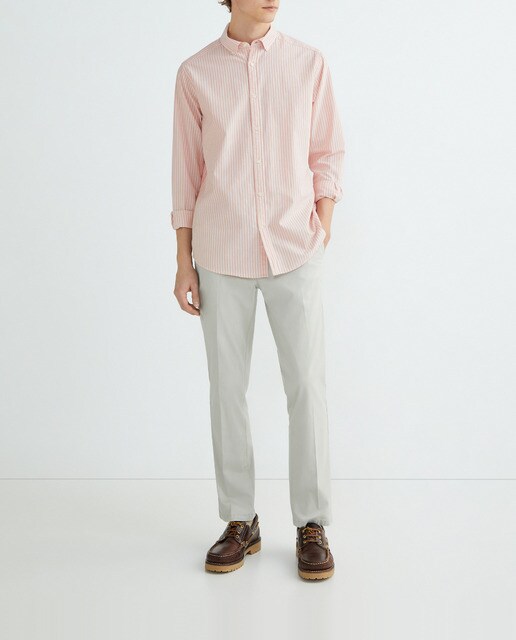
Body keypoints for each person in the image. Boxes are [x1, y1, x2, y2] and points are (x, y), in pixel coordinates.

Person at [170, 0, 344, 580]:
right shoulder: (195, 73)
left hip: (295, 247)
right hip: (221, 252)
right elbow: (186, 172)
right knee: (227, 389)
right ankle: (240, 520)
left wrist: (322, 225)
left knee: (307, 387)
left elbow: (327, 151)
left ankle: (311, 522)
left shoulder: (308, 63)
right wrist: (183, 261)